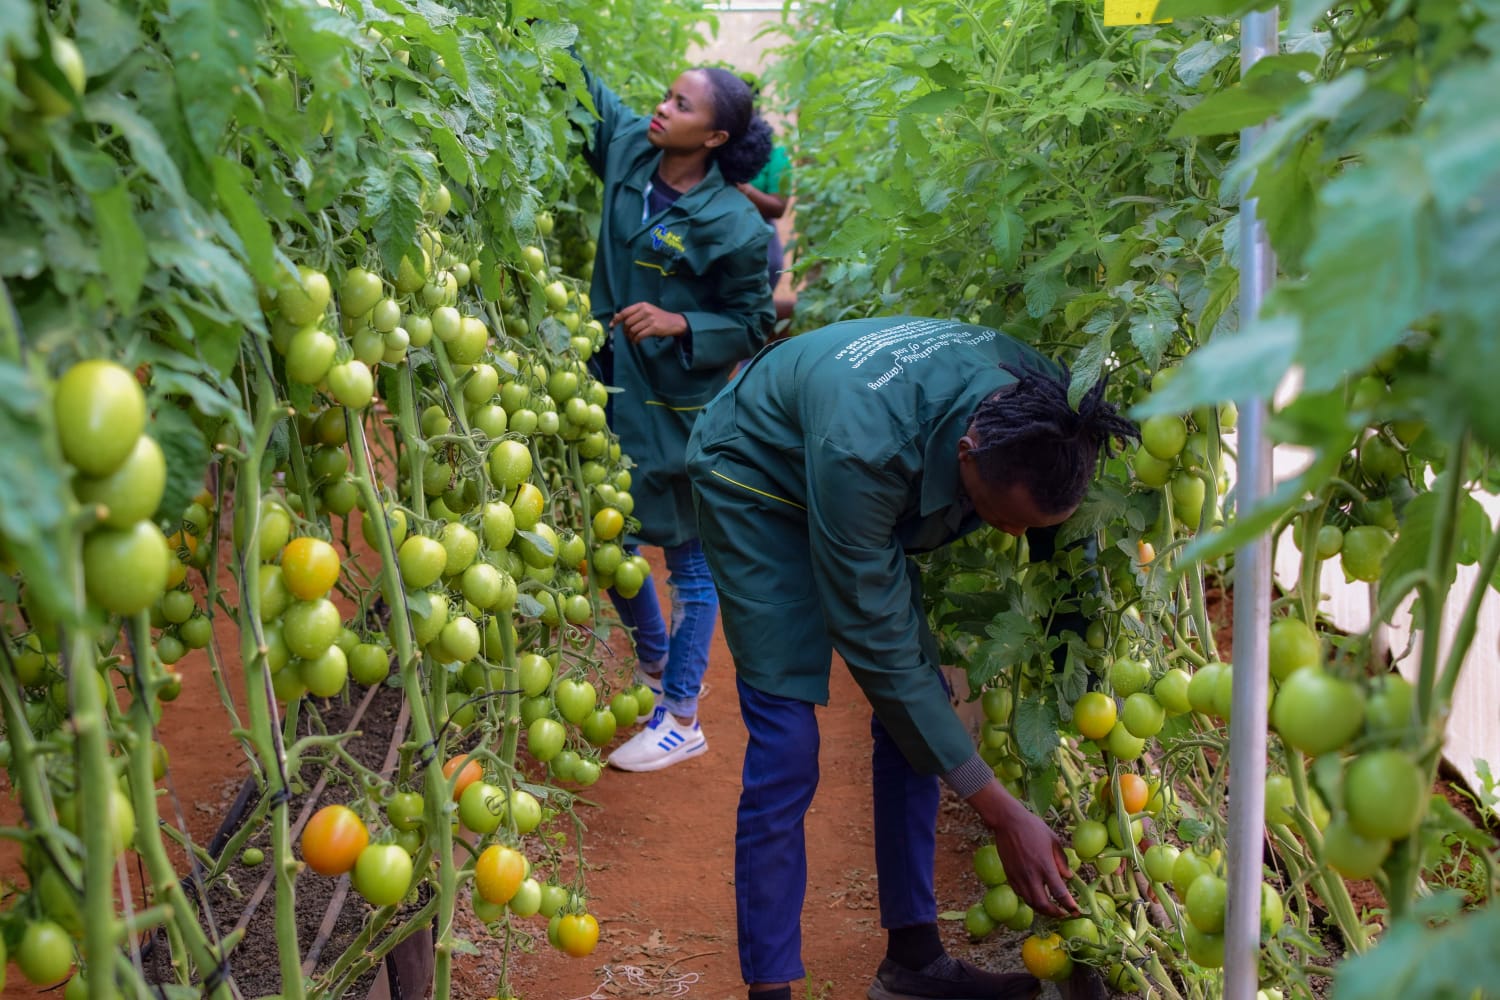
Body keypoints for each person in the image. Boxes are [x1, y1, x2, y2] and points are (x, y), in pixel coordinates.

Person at [684, 316, 1139, 1000]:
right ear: (966, 454)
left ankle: (914, 964)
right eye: (1004, 517)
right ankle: (772, 989)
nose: (1014, 534)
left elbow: (1069, 551)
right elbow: (878, 644)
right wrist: (999, 808)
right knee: (787, 741)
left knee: (917, 716)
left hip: (846, 445)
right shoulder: (864, 451)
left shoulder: (1053, 411)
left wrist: (1087, 685)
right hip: (754, 474)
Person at [571, 54, 777, 771]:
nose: (662, 108)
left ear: (715, 137)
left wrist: (680, 322)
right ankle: (656, 666)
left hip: (683, 411)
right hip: (609, 392)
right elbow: (582, 83)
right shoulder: (630, 148)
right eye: (666, 95)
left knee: (689, 566)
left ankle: (683, 715)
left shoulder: (735, 226)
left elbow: (753, 323)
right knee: (613, 548)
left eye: (683, 106)